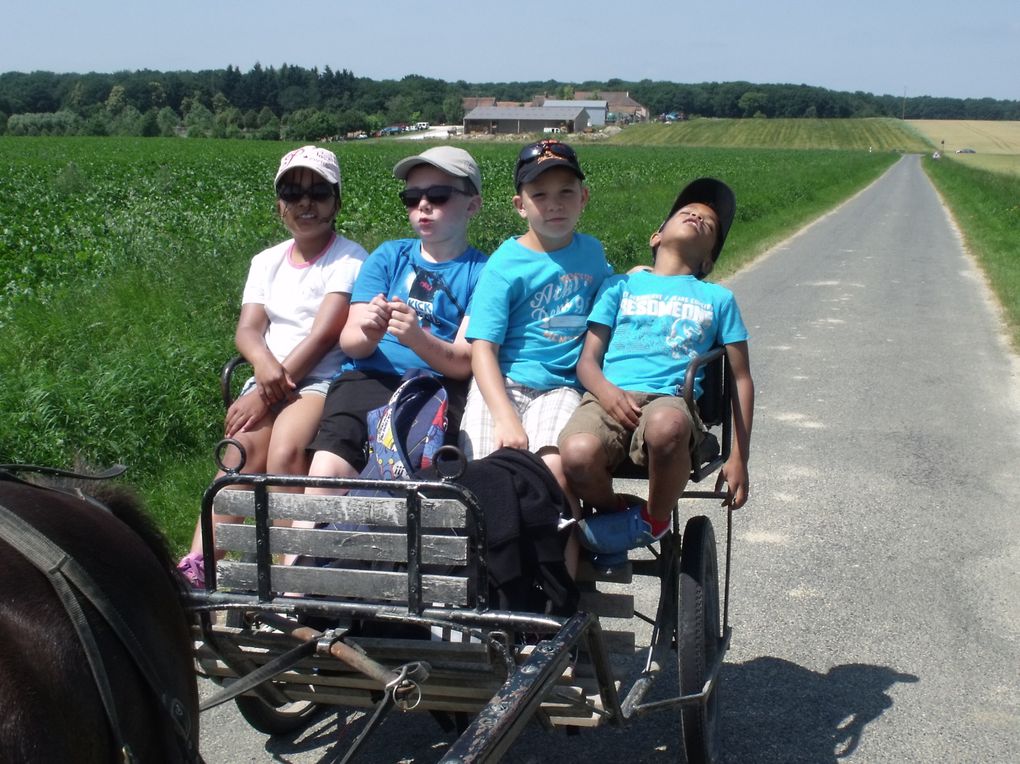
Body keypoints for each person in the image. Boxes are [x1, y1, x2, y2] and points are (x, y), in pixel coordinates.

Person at [177, 145, 369, 587]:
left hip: (321, 380)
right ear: (279, 205)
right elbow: (248, 330)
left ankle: (289, 570)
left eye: (319, 192)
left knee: (285, 450)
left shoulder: (348, 259)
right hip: (270, 376)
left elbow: (324, 335)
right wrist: (263, 369)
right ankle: (201, 563)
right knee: (239, 455)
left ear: (336, 201)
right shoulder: (266, 261)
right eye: (293, 192)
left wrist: (267, 392)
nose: (306, 204)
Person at [559, 177, 755, 565]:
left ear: (708, 261)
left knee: (667, 426)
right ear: (657, 235)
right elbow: (587, 361)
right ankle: (618, 511)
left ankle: (653, 519)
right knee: (577, 452)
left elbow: (741, 378)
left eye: (709, 224)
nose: (697, 216)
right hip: (608, 396)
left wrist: (739, 458)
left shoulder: (718, 298)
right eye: (687, 212)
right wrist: (608, 393)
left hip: (669, 401)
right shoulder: (621, 286)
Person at [458, 139, 613, 560]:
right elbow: (483, 350)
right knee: (481, 483)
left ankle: (566, 590)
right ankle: (494, 583)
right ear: (520, 205)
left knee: (554, 474)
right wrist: (506, 417)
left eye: (566, 192)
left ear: (584, 198)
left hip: (559, 386)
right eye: (539, 195)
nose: (554, 204)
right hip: (502, 385)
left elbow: (612, 290)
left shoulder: (592, 253)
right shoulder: (505, 264)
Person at [305, 146, 487, 484]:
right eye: (412, 197)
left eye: (439, 195)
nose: (423, 205)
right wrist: (369, 334)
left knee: (412, 474)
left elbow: (464, 362)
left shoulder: (482, 272)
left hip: (433, 388)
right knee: (328, 469)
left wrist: (417, 338)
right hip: (367, 377)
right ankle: (311, 531)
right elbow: (351, 342)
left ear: (472, 205)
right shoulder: (389, 256)